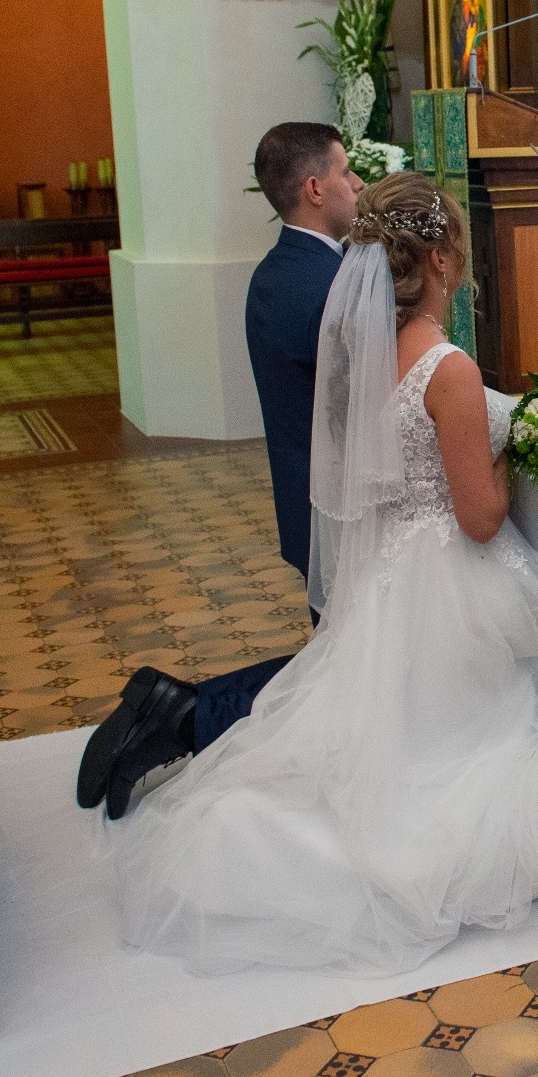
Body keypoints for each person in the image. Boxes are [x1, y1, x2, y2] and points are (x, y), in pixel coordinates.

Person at [107, 174, 538, 975]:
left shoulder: (361, 354)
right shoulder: (444, 367)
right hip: (449, 577)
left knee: (380, 718)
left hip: (388, 575)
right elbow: (480, 516)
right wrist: (510, 440)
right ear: (443, 257)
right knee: (493, 729)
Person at [77, 123, 359, 820]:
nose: (357, 186)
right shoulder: (327, 285)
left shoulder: (279, 271)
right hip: (344, 512)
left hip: (309, 504)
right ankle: (186, 712)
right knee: (350, 669)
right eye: (347, 173)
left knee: (349, 663)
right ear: (315, 187)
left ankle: (182, 711)